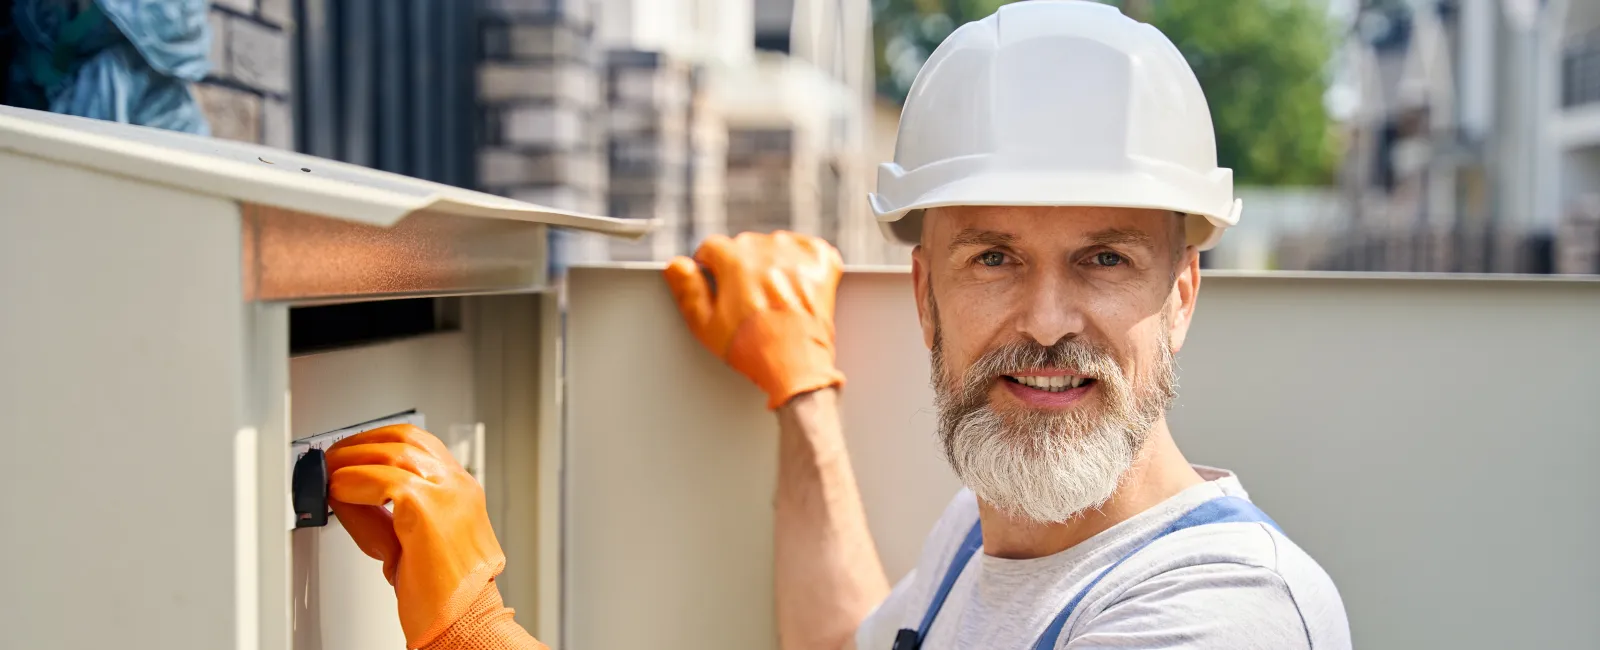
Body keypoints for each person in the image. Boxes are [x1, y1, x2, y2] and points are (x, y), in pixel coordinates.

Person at [323, 2, 1351, 648]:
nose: (1044, 320)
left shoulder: (1217, 614)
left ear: (1180, 296)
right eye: (993, 257)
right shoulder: (991, 529)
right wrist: (800, 390)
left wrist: (474, 633)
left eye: (1105, 258)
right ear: (923, 294)